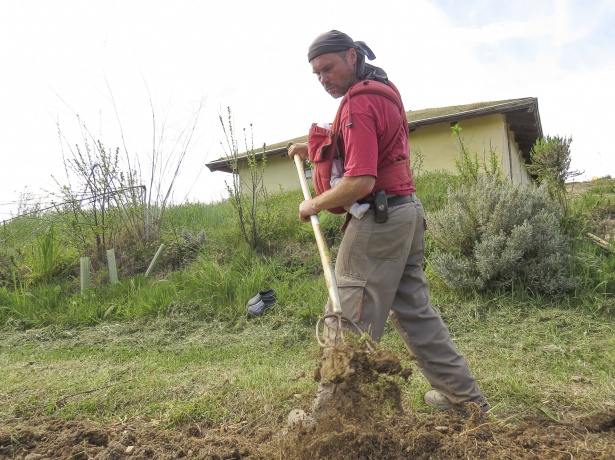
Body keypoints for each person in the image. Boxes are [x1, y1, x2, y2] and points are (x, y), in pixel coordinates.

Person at [288, 30, 489, 416]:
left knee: (346, 317)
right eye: (316, 74)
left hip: (378, 222)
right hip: (407, 214)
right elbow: (366, 144)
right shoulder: (381, 91)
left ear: (351, 56)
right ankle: (466, 400)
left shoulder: (357, 104)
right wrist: (312, 148)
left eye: (328, 68)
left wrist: (311, 205)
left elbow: (360, 181)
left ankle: (333, 419)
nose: (324, 78)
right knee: (416, 313)